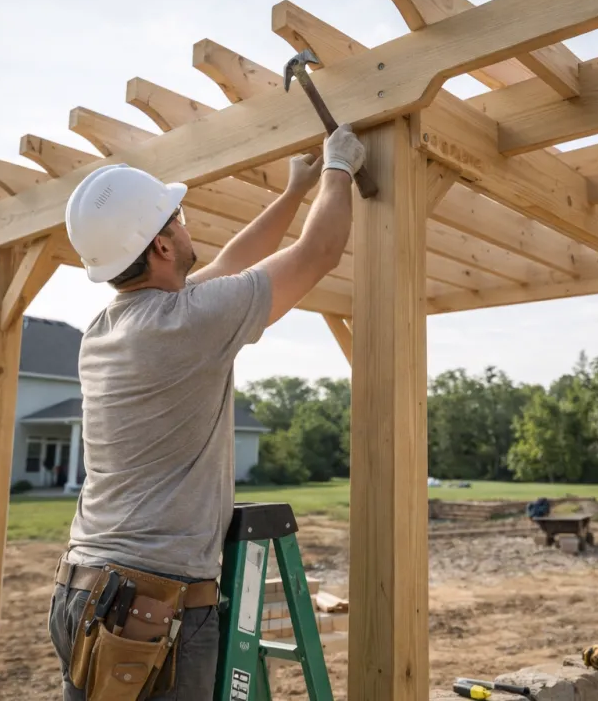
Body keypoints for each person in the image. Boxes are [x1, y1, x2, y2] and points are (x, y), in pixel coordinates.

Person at [46, 124, 367, 700]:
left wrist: (295, 191)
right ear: (163, 247)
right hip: (150, 608)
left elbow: (229, 263)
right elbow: (319, 253)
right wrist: (340, 166)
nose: (185, 225)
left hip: (83, 587)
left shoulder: (111, 326)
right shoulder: (188, 322)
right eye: (177, 220)